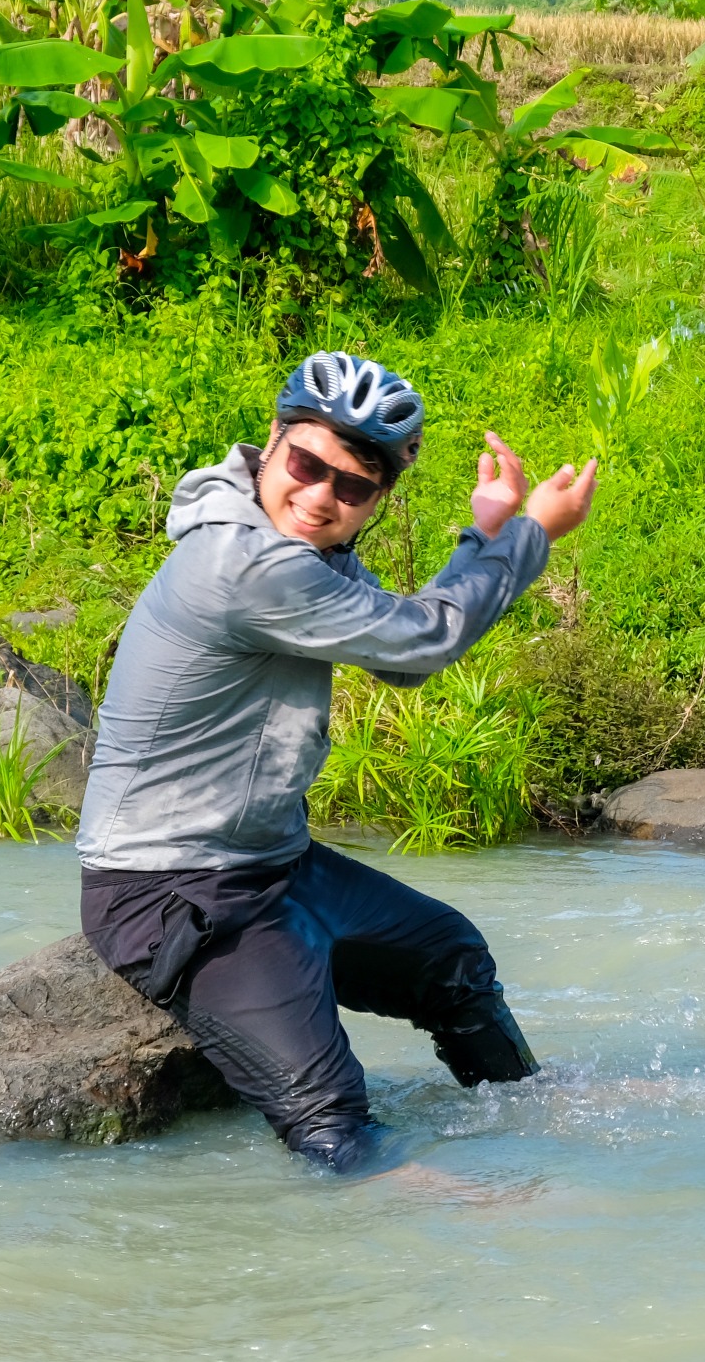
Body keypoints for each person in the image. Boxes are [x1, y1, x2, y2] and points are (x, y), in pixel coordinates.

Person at [76, 351, 598, 1172]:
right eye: (306, 465)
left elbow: (396, 652)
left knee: (450, 959)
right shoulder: (245, 563)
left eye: (350, 486)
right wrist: (529, 535)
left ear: (377, 501)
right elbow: (425, 642)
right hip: (169, 892)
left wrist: (487, 532)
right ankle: (447, 1208)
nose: (319, 497)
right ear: (273, 441)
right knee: (333, 1126)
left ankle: (528, 1110)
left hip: (272, 869)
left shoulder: (298, 549)